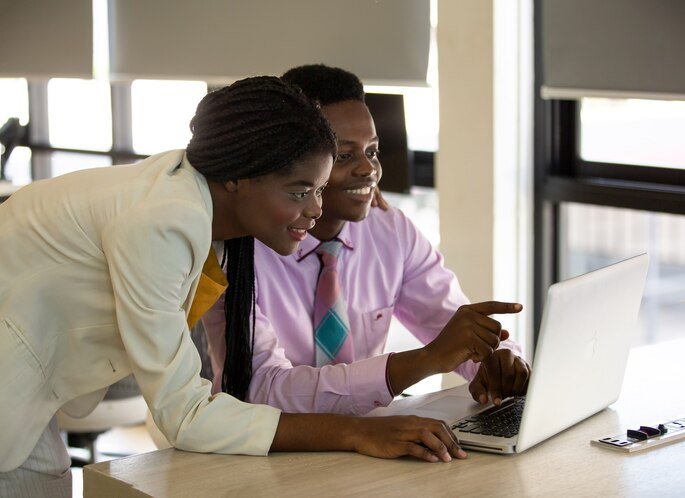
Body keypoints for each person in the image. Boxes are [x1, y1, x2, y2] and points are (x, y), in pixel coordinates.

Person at [0, 76, 470, 498]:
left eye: (320, 189)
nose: (314, 209)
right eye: (298, 191)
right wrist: (353, 432)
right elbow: (184, 415)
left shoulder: (211, 213)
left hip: (34, 384)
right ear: (236, 178)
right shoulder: (165, 224)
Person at [202, 65, 530, 416]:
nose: (368, 170)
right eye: (343, 156)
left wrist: (496, 361)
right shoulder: (235, 247)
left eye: (372, 151)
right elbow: (259, 390)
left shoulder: (389, 231)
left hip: (368, 439)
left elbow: (452, 327)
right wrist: (423, 361)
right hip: (269, 445)